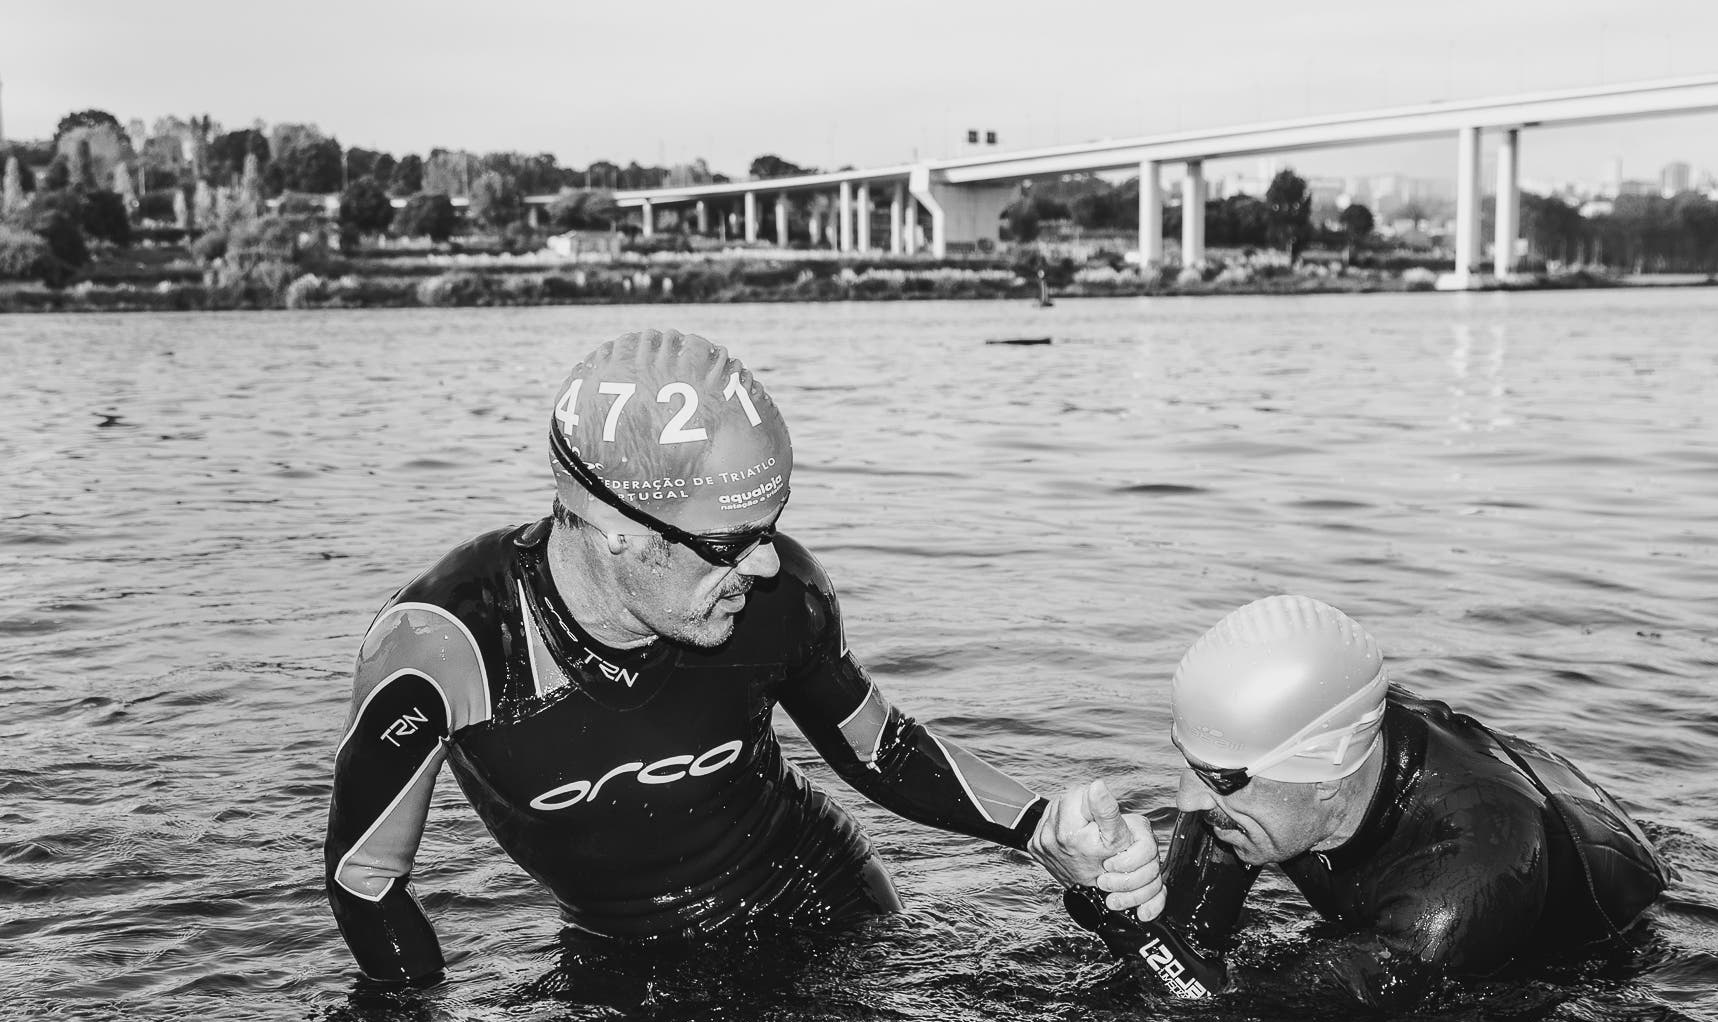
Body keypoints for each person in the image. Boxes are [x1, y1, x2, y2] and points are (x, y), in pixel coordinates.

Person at [324, 329, 1160, 986]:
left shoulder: (779, 592)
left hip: (822, 912)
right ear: (617, 528)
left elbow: (878, 747)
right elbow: (365, 884)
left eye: (772, 525)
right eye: (731, 542)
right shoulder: (446, 644)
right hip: (620, 956)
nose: (764, 563)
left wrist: (1041, 828)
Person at [1068, 595, 1669, 1008]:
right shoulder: (1255, 785)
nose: (1189, 800)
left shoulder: (1465, 876)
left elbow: (1229, 1015)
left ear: (1327, 774)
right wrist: (1120, 884)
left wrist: (1110, 913)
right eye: (1191, 765)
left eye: (1219, 779)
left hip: (1596, 955)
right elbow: (1189, 946)